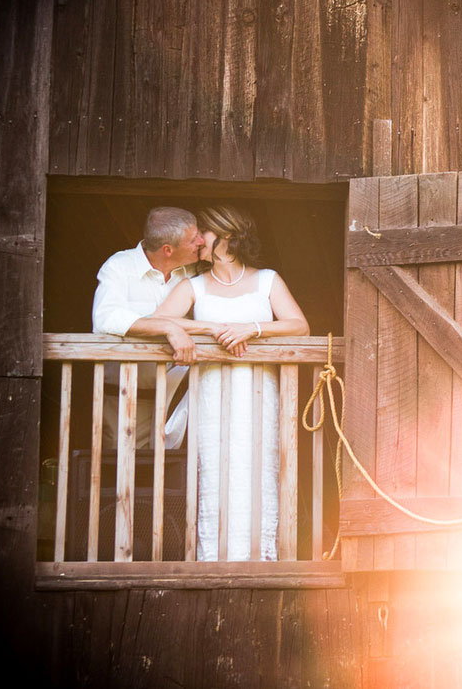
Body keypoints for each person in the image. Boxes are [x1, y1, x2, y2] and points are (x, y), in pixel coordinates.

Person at [153, 206, 309, 561]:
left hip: (259, 392)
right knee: (216, 473)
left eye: (202, 235)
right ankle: (213, 558)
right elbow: (158, 320)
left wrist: (250, 329)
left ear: (225, 235)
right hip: (212, 392)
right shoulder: (192, 285)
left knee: (258, 469)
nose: (196, 243)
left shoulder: (267, 279)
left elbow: (299, 325)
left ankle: (262, 557)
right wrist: (212, 330)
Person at [92, 207, 205, 449]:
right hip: (126, 391)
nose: (201, 241)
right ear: (168, 250)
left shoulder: (197, 270)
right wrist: (168, 327)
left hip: (182, 394)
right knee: (124, 463)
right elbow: (105, 318)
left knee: (180, 467)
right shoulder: (119, 266)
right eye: (193, 238)